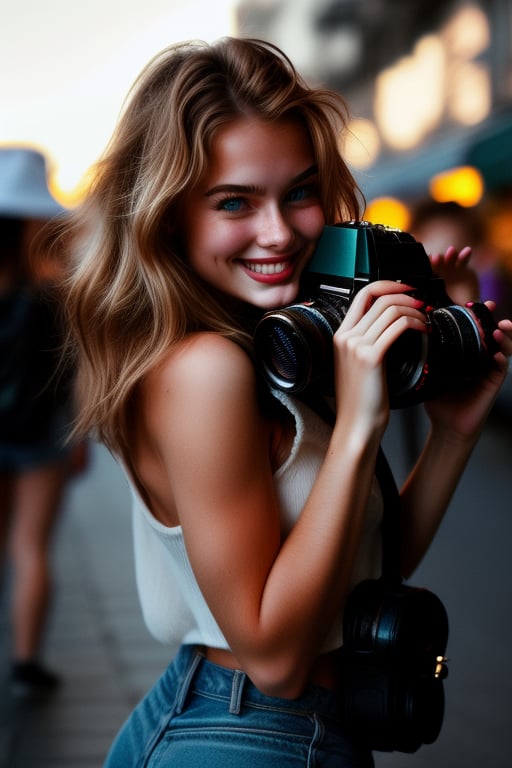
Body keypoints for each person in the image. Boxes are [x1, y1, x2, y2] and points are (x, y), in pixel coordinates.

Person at [57, 38, 512, 767]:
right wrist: (359, 424)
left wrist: (452, 435)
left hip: (281, 726)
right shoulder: (204, 368)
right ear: (171, 215)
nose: (279, 233)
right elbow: (273, 655)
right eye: (235, 201)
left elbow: (358, 571)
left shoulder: (262, 346)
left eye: (298, 192)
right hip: (244, 732)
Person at [0, 147, 79, 696]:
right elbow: (70, 372)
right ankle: (27, 662)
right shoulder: (56, 292)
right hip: (42, 437)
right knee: (30, 547)